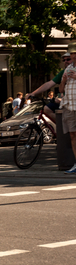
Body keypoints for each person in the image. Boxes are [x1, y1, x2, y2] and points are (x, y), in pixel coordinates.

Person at [26, 52, 73, 122]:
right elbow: (49, 84)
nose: (65, 61)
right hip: (66, 102)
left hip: (72, 103)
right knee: (47, 108)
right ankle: (61, 125)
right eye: (64, 60)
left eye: (68, 59)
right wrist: (33, 93)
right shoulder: (63, 72)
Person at [58, 41, 76, 174]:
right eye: (72, 54)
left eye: (75, 53)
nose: (73, 56)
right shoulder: (68, 68)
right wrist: (63, 80)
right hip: (69, 106)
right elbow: (60, 89)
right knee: (73, 135)